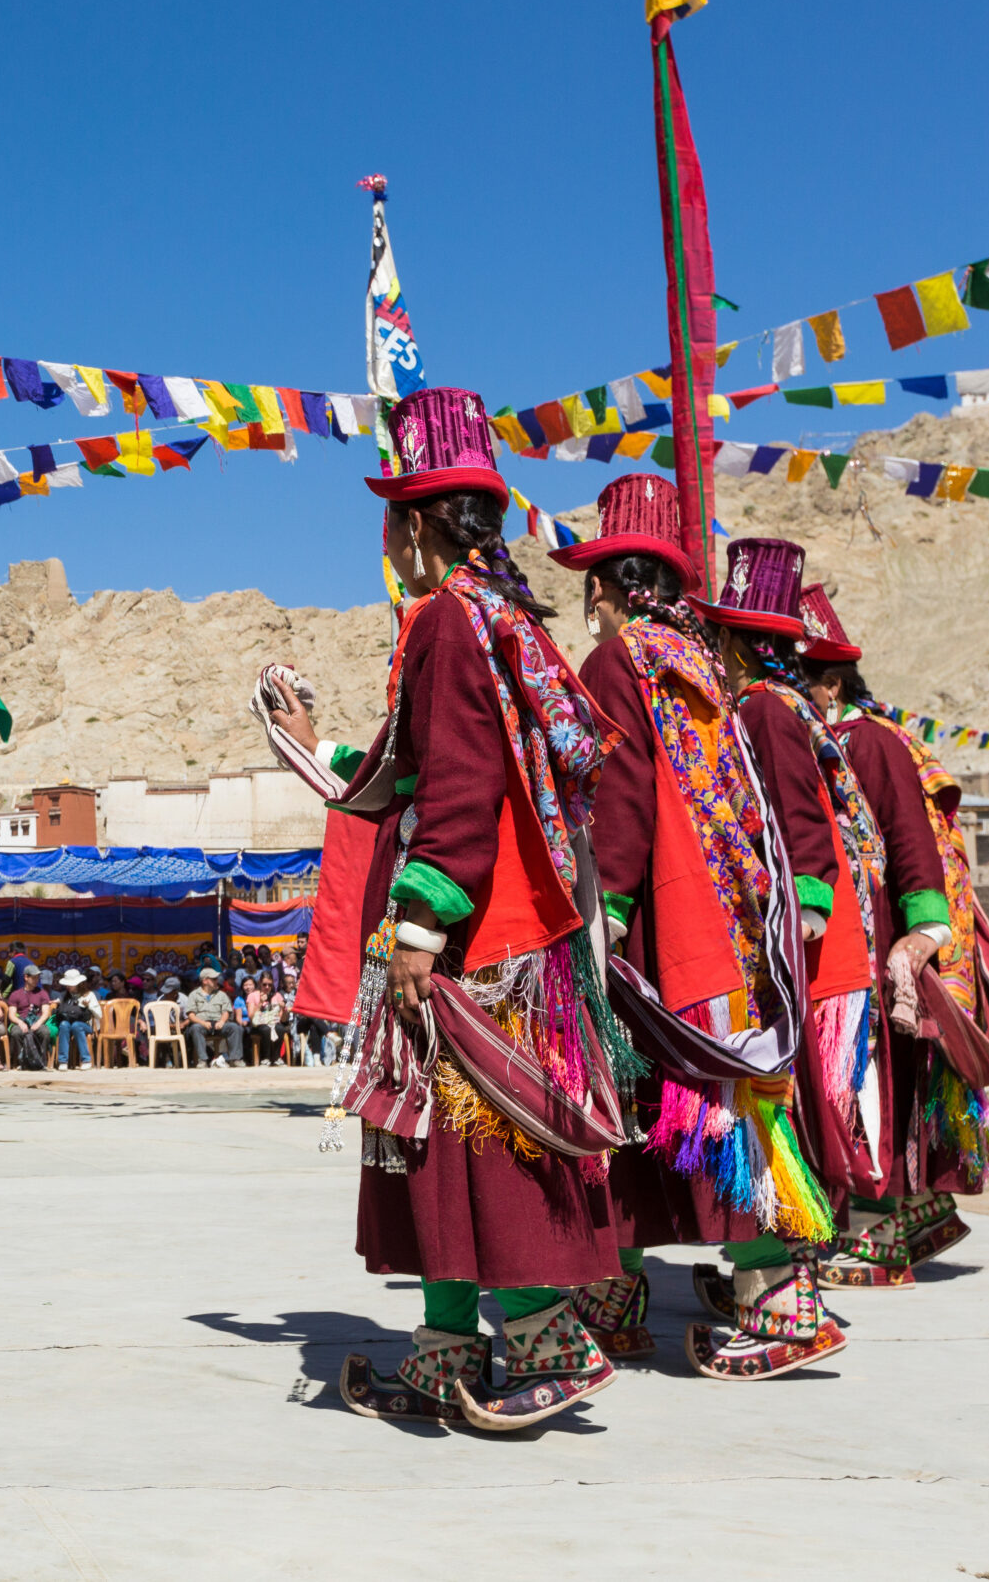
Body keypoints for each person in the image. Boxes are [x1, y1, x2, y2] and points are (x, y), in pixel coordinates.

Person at [271, 386, 621, 1432]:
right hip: (517, 926)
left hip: (478, 940)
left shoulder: (446, 622)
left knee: (475, 1150)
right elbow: (407, 768)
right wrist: (310, 737)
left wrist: (420, 930)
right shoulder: (504, 620)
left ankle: (552, 1345)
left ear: (417, 525)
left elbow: (459, 786)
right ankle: (440, 1351)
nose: (387, 539)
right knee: (428, 1149)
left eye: (391, 520)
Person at [550, 492, 845, 1380]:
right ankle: (622, 1290)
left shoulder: (619, 660)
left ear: (605, 585)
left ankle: (775, 1301)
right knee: (715, 1100)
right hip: (734, 925)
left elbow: (623, 795)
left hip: (661, 920)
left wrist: (600, 918)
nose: (588, 605)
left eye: (590, 587)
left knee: (663, 1102)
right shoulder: (703, 667)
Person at [801, 586, 989, 1285]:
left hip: (882, 941)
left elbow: (912, 844)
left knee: (875, 1079)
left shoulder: (871, 741)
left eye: (803, 677)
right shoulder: (833, 738)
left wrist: (920, 934)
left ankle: (885, 1229)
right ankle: (905, 1212)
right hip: (853, 936)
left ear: (831, 683)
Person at [180, 966, 240, 1067]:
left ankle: (235, 1059)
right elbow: (191, 1015)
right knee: (195, 1028)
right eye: (214, 979)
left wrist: (222, 1021)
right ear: (205, 981)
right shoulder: (194, 995)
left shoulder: (222, 995)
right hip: (202, 1024)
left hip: (218, 1023)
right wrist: (203, 1023)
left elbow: (226, 1011)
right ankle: (202, 1060)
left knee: (234, 1027)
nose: (217, 981)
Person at [6, 971, 55, 1070]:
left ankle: (41, 1061)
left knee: (45, 1032)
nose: (36, 980)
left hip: (37, 1020)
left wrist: (38, 1023)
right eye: (34, 977)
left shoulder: (42, 993)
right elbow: (11, 1014)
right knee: (16, 1032)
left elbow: (45, 1013)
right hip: (21, 1020)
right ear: (26, 977)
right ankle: (22, 1062)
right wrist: (20, 1023)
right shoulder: (16, 994)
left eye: (37, 978)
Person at [52, 967, 97, 1068]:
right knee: (63, 1025)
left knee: (77, 1026)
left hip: (84, 1025)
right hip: (67, 1023)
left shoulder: (88, 995)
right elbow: (60, 1012)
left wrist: (87, 1007)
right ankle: (63, 1061)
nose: (68, 986)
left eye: (70, 984)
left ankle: (86, 1060)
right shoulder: (64, 996)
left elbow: (94, 1015)